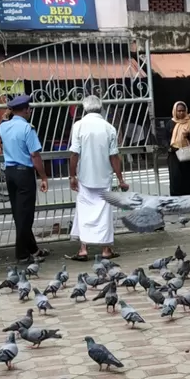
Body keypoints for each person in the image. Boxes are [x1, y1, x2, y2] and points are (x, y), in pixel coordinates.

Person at [68, 94, 128, 261]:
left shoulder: (78, 126)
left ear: (84, 109)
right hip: (104, 177)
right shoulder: (109, 128)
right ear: (101, 108)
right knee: (104, 213)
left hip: (84, 177)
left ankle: (83, 249)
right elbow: (114, 156)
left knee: (83, 212)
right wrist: (121, 179)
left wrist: (72, 175)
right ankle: (106, 250)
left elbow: (74, 153)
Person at [0, 93, 48, 263]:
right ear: (26, 110)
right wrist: (43, 177)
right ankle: (22, 254)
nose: (30, 110)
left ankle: (33, 249)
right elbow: (35, 155)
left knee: (19, 213)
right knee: (26, 216)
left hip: (10, 173)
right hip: (24, 172)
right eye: (29, 108)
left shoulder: (3, 127)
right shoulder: (27, 128)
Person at [166, 100, 190, 196]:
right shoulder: (170, 123)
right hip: (174, 155)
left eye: (183, 111)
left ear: (186, 111)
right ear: (174, 111)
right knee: (175, 177)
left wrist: (189, 135)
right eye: (179, 111)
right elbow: (165, 138)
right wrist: (170, 147)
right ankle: (176, 201)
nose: (181, 113)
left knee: (189, 177)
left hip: (187, 154)